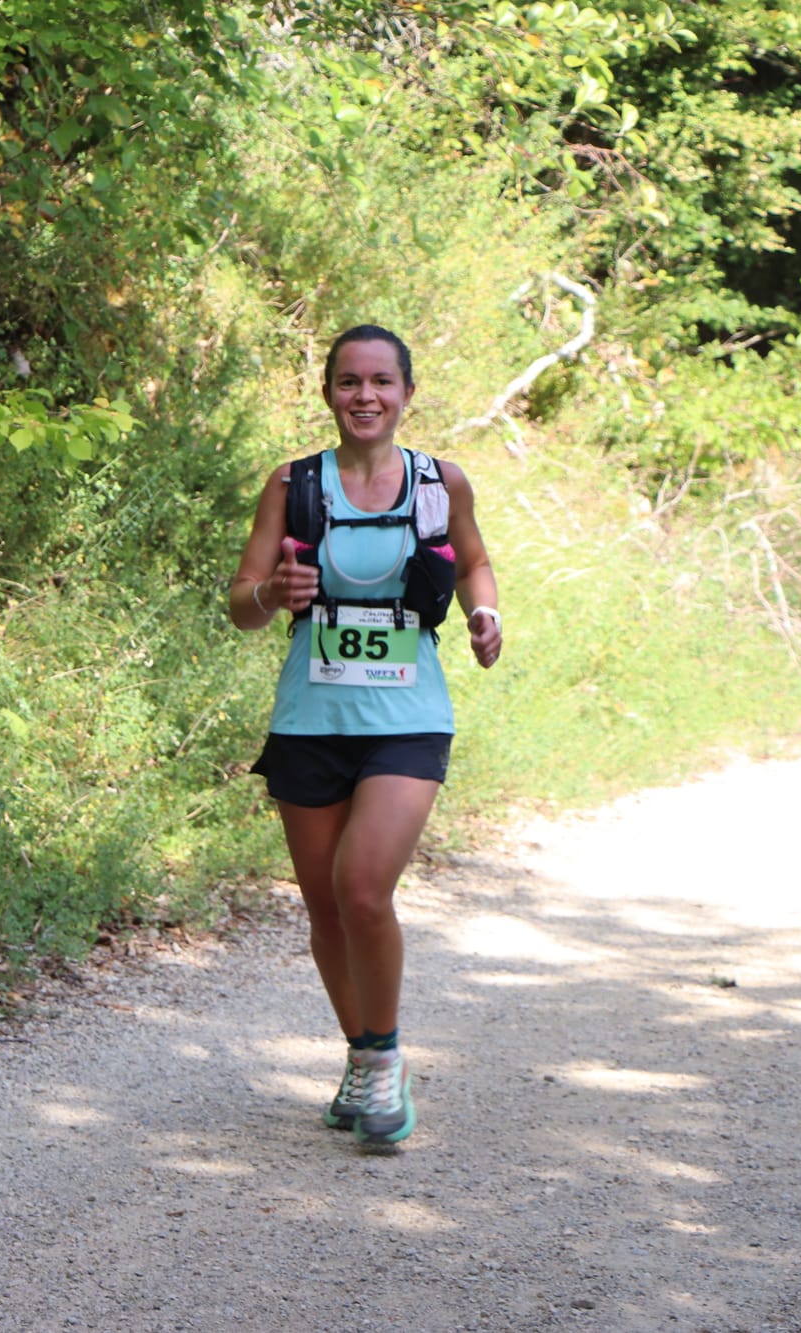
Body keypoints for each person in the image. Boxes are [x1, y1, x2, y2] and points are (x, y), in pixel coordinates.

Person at [226, 324, 501, 1147]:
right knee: (325, 908)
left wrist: (485, 611)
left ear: (407, 393)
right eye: (349, 382)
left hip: (408, 719)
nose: (365, 396)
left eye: (381, 381)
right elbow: (240, 603)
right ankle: (362, 1052)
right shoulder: (293, 484)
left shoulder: (438, 482)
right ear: (328, 393)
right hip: (310, 719)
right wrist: (274, 591)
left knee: (362, 887)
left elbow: (474, 562)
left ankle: (383, 1066)